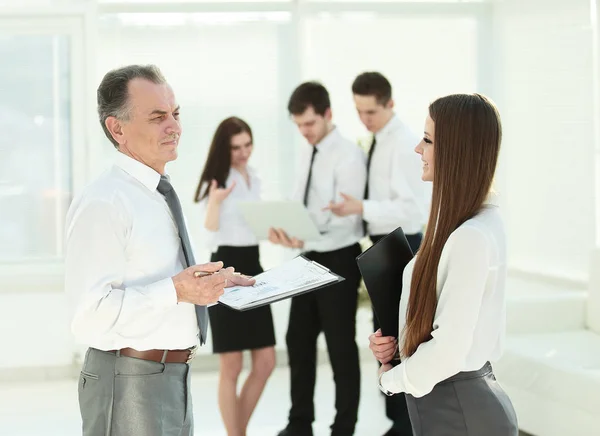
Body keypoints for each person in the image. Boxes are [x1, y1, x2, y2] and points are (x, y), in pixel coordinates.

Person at [65, 64, 254, 436]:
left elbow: (165, 283)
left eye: (176, 114)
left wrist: (211, 284)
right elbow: (88, 317)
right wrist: (177, 290)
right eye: (157, 117)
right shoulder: (105, 201)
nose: (175, 127)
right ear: (116, 128)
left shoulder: (158, 193)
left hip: (174, 377)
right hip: (129, 383)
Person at [369, 93, 519, 436]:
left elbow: (448, 352)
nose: (417, 150)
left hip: (459, 411)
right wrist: (397, 344)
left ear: (455, 150)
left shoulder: (471, 236)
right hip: (456, 406)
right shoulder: (471, 223)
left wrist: (388, 381)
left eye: (427, 140)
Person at [328, 71, 426, 436]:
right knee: (385, 337)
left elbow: (413, 211)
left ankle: (405, 425)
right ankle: (398, 422)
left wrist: (362, 208)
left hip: (403, 247)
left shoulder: (404, 145)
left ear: (391, 104)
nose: (364, 119)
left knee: (399, 338)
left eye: (370, 112)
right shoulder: (378, 140)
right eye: (358, 111)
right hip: (383, 249)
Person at [270, 81, 366, 436]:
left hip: (340, 258)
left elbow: (347, 218)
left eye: (309, 123)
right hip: (308, 256)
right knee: (298, 339)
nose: (304, 131)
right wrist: (284, 226)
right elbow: (299, 201)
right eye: (298, 125)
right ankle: (299, 424)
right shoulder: (305, 150)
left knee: (340, 345)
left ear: (328, 114)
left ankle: (343, 427)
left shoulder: (349, 155)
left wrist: (305, 230)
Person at [193, 116, 276, 436]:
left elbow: (254, 226)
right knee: (232, 365)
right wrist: (215, 201)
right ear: (223, 149)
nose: (243, 152)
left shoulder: (253, 177)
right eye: (236, 147)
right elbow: (210, 229)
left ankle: (236, 432)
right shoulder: (216, 180)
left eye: (247, 145)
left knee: (266, 361)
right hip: (225, 268)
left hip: (253, 267)